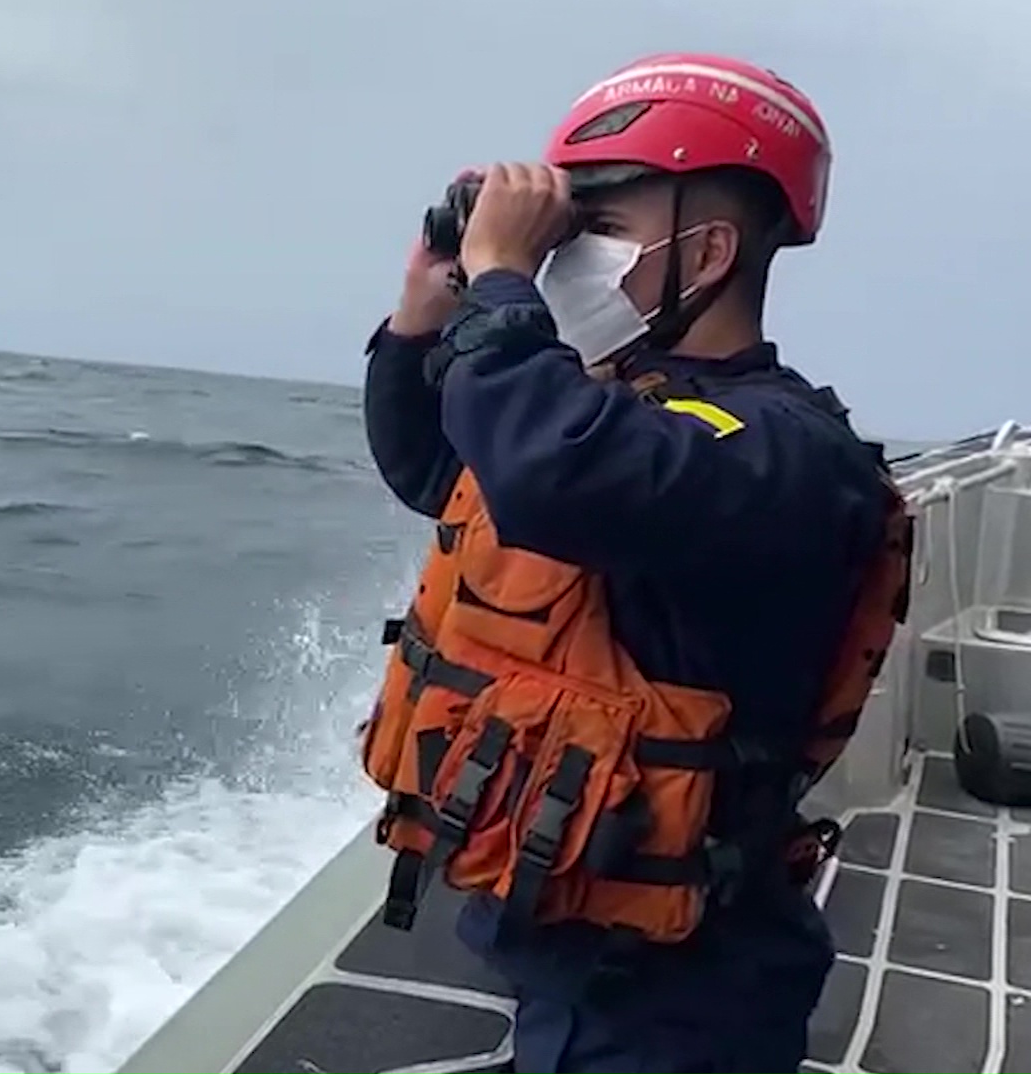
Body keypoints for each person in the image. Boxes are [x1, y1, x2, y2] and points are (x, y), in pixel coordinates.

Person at [355, 53, 914, 1073]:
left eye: (598, 231)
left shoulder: (782, 449)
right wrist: (425, 309)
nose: (567, 260)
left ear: (705, 255)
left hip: (681, 994)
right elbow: (444, 470)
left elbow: (553, 470)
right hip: (576, 936)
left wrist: (505, 285)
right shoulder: (620, 403)